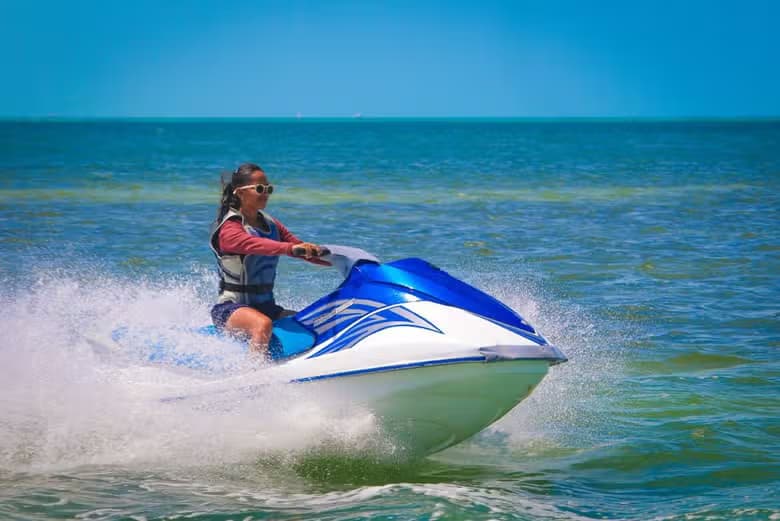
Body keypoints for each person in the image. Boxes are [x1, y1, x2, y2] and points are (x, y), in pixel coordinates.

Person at [209, 162, 328, 357]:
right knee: (262, 324)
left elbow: (298, 246)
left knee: (309, 321)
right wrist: (291, 249)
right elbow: (255, 244)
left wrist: (332, 258)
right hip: (231, 309)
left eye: (268, 189)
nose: (265, 193)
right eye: (259, 189)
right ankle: (253, 375)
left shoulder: (271, 223)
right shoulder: (229, 228)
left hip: (268, 307)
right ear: (240, 192)